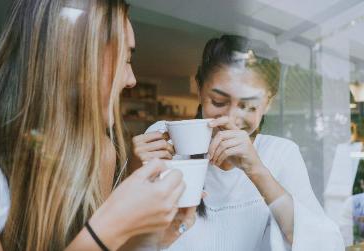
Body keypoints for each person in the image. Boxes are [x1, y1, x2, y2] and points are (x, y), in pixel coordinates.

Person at [0, 0, 196, 250]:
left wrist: (151, 238)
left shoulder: (101, 153)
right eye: (123, 58)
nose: (131, 79)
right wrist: (109, 228)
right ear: (70, 57)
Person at [131, 35, 344, 250]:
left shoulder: (280, 154)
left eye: (249, 106)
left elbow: (324, 244)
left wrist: (256, 170)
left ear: (268, 103)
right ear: (199, 88)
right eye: (218, 102)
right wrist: (133, 174)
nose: (230, 119)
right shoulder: (165, 140)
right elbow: (132, 238)